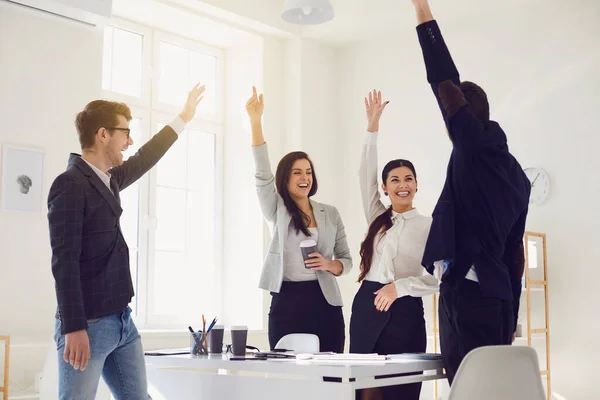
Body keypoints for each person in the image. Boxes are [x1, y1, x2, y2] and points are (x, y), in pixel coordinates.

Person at [47, 83, 206, 399]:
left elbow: (147, 155)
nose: (130, 141)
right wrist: (74, 327)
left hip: (122, 322)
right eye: (125, 132)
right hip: (87, 325)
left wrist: (184, 117)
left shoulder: (110, 180)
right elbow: (64, 260)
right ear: (102, 134)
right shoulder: (70, 184)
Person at [410, 0, 532, 384]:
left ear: (461, 115)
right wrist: (511, 317)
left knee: (467, 390)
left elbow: (442, 78)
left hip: (469, 295)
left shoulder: (472, 147)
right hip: (497, 301)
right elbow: (516, 253)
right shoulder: (518, 176)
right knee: (492, 391)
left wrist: (421, 10)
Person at [245, 86, 352, 352]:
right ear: (286, 177)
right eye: (297, 173)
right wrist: (256, 122)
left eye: (308, 172)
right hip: (287, 302)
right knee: (289, 378)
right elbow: (262, 174)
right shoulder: (276, 208)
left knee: (330, 376)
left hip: (325, 302)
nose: (305, 178)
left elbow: (346, 262)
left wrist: (328, 264)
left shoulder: (330, 213)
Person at [349, 89, 438, 400]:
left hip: (406, 313)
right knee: (365, 391)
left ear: (417, 185)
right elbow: (364, 175)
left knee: (402, 391)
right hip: (366, 308)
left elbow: (438, 279)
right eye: (395, 180)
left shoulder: (430, 226)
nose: (403, 185)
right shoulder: (376, 215)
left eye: (409, 178)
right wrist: (372, 127)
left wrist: (398, 288)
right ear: (385, 188)